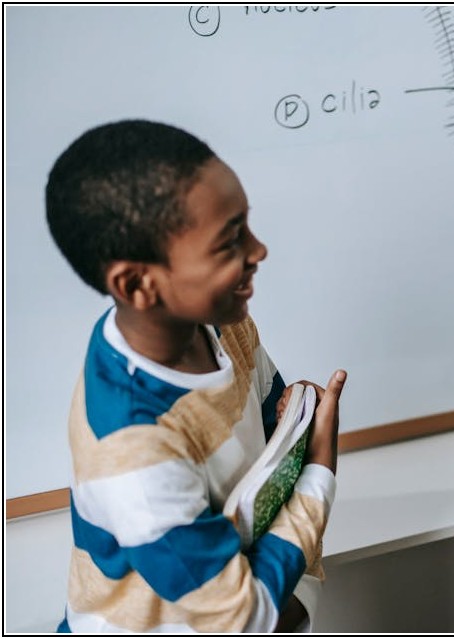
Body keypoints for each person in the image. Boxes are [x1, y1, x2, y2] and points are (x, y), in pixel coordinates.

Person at [46, 119, 347, 633]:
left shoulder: (217, 323)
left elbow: (266, 422)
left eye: (246, 225)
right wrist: (320, 470)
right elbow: (244, 619)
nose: (259, 251)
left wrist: (295, 418)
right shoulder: (131, 450)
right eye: (230, 242)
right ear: (139, 284)